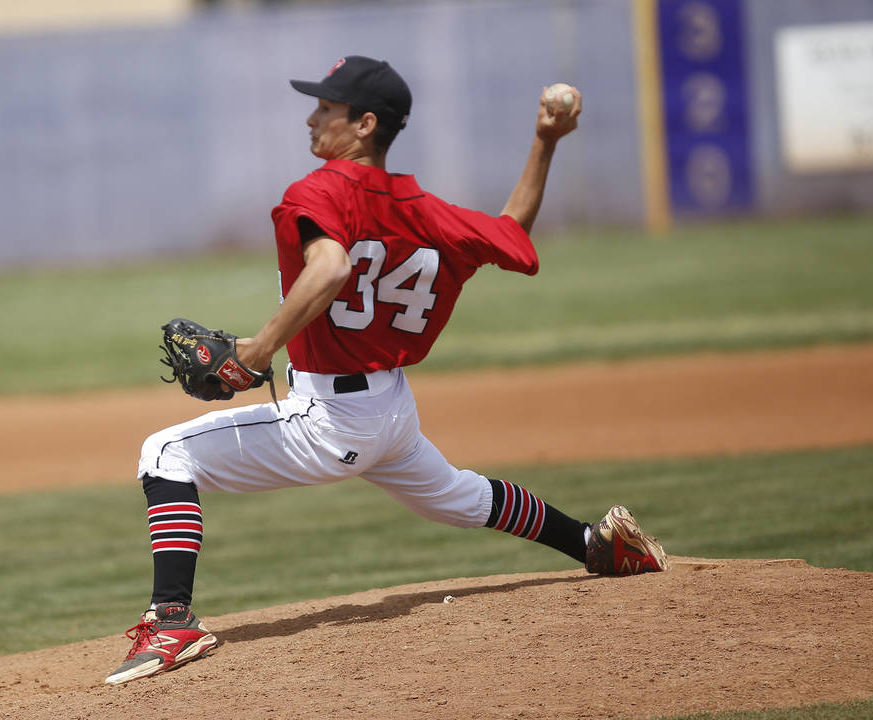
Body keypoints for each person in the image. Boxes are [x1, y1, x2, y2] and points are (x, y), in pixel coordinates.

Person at [104, 55, 668, 686]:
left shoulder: (317, 191)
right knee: (459, 496)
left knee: (166, 455)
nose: (312, 118)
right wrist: (544, 141)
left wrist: (255, 353)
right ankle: (595, 543)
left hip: (332, 419)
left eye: (327, 108)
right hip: (389, 410)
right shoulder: (428, 211)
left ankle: (172, 621)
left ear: (366, 124)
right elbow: (513, 232)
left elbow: (332, 272)